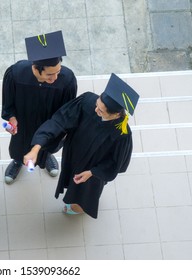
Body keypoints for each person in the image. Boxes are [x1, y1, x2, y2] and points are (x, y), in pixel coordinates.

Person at [24, 73, 140, 219]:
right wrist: (37, 146)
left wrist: (92, 172)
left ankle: (78, 207)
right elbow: (59, 121)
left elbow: (116, 163)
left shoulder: (122, 134)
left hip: (92, 168)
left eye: (101, 111)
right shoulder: (87, 101)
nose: (95, 109)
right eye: (97, 104)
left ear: (116, 115)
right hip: (73, 154)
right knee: (70, 177)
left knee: (85, 191)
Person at [1, 30, 77, 184]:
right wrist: (11, 118)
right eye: (50, 75)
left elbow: (67, 112)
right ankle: (17, 161)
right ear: (35, 68)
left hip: (50, 124)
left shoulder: (67, 80)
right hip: (23, 123)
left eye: (58, 72)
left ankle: (47, 156)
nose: (55, 78)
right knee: (19, 147)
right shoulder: (15, 74)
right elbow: (8, 103)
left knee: (47, 145)